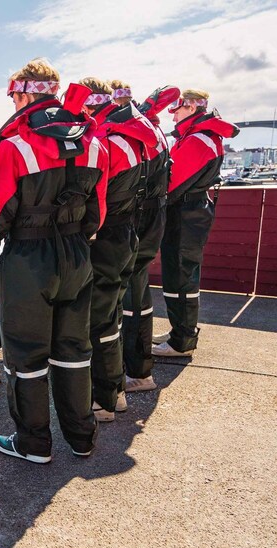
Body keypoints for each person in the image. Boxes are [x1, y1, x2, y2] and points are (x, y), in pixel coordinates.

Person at [0, 59, 107, 463]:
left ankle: (33, 444)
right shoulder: (95, 144)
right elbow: (97, 212)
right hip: (78, 255)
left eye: (13, 96)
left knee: (26, 355)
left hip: (29, 259)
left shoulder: (16, 147)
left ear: (25, 94)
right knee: (75, 349)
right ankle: (82, 438)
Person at [78, 77, 158, 422]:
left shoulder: (102, 141)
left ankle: (105, 401)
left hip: (106, 237)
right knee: (112, 314)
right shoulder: (135, 139)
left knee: (99, 319)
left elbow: (94, 198)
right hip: (130, 233)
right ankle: (117, 392)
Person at [152, 90, 240, 356]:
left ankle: (182, 340)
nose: (174, 115)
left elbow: (172, 182)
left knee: (180, 274)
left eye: (177, 110)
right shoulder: (204, 135)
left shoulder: (198, 139)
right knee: (181, 273)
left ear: (190, 108)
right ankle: (180, 330)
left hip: (186, 213)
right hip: (192, 211)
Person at [120, 85, 180, 392]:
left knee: (126, 297)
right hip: (154, 218)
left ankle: (131, 373)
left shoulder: (129, 133)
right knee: (139, 293)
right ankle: (140, 370)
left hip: (135, 222)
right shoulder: (157, 134)